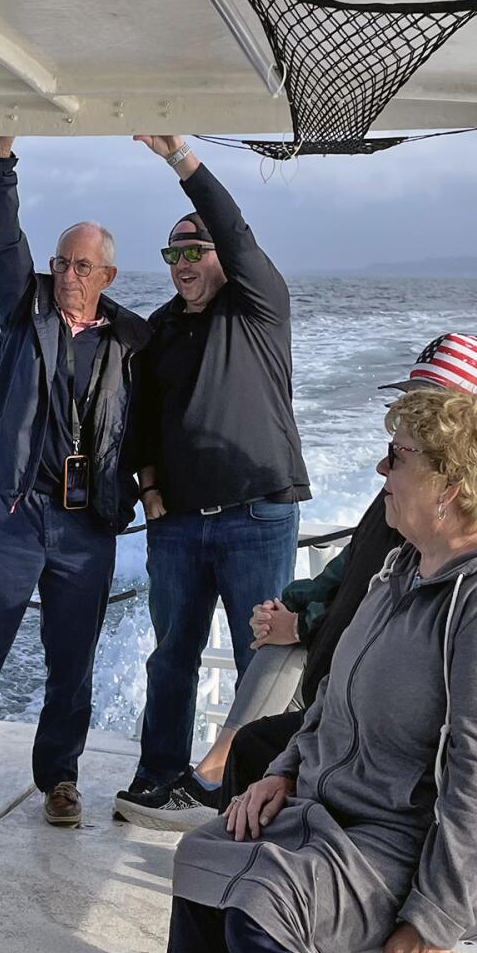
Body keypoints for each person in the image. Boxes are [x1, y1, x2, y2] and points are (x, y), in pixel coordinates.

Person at [119, 387, 477, 953]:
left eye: (397, 457)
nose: (380, 470)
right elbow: (335, 698)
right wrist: (283, 770)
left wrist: (434, 920)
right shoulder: (406, 568)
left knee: (267, 911)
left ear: (451, 488)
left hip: (469, 852)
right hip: (368, 812)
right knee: (204, 858)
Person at [120, 333, 477, 833]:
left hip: (414, 757)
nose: (401, 440)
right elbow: (356, 578)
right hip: (352, 709)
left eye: (428, 414)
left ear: (473, 435)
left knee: (259, 761)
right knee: (261, 754)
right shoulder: (412, 490)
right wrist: (304, 621)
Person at [0, 135, 150, 826]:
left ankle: (60, 777)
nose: (68, 273)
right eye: (60, 261)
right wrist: (0, 162)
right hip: (12, 511)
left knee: (71, 662)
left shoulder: (132, 342)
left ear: (107, 274)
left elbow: (151, 429)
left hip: (86, 524)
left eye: (82, 265)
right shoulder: (27, 309)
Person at [117, 134, 311, 826]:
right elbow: (137, 427)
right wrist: (150, 492)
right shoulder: (159, 331)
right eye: (173, 253)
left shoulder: (259, 306)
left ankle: (253, 786)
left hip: (256, 514)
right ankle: (159, 775)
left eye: (195, 250)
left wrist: (181, 161)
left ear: (224, 258)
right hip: (176, 525)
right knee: (171, 654)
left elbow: (230, 224)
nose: (183, 263)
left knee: (267, 659)